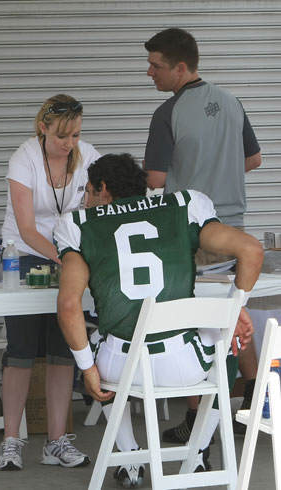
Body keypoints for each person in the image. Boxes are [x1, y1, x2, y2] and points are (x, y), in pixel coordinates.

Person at [55, 153, 263, 487]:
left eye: (88, 191)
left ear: (103, 190)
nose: (85, 200)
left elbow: (68, 305)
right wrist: (234, 308)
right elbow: (251, 251)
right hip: (183, 363)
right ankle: (196, 453)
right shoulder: (184, 205)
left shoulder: (79, 225)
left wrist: (87, 369)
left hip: (121, 366)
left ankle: (130, 460)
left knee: (90, 345)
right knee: (230, 343)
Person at [143, 27, 262, 439]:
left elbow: (156, 180)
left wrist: (191, 174)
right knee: (233, 312)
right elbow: (254, 159)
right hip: (236, 234)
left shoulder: (167, 114)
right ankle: (253, 397)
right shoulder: (232, 101)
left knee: (195, 323)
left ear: (180, 67)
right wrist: (218, 167)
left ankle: (197, 422)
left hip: (192, 235)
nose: (149, 73)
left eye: (156, 66)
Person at [0, 94, 101, 471]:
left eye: (75, 135)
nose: (70, 144)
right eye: (62, 136)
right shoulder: (24, 157)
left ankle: (56, 441)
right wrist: (65, 256)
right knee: (21, 350)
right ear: (43, 128)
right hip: (24, 256)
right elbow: (26, 227)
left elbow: (101, 204)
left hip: (69, 256)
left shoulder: (88, 155)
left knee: (64, 349)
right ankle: (11, 440)